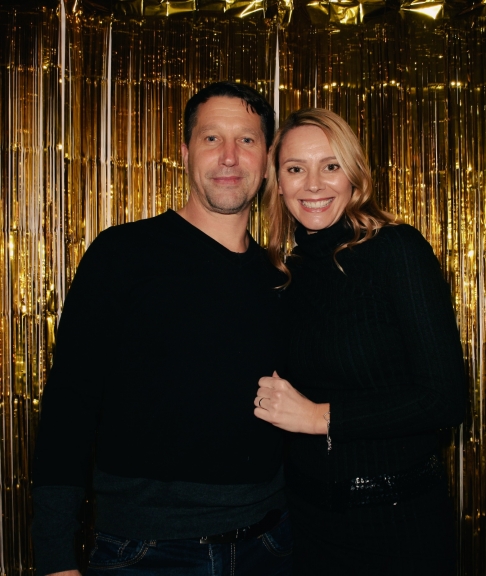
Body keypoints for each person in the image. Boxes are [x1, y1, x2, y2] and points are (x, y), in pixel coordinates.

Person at [32, 82, 292, 576]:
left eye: (247, 140)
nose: (230, 156)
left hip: (272, 545)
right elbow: (70, 405)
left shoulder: (280, 279)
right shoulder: (122, 256)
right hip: (146, 551)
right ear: (185, 154)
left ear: (267, 161)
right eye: (212, 138)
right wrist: (55, 556)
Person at [254, 108, 467, 575]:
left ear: (354, 175)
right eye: (296, 169)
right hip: (306, 526)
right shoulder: (286, 272)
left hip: (397, 525)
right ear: (278, 183)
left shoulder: (397, 249)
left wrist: (318, 417)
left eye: (330, 166)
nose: (313, 184)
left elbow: (446, 398)